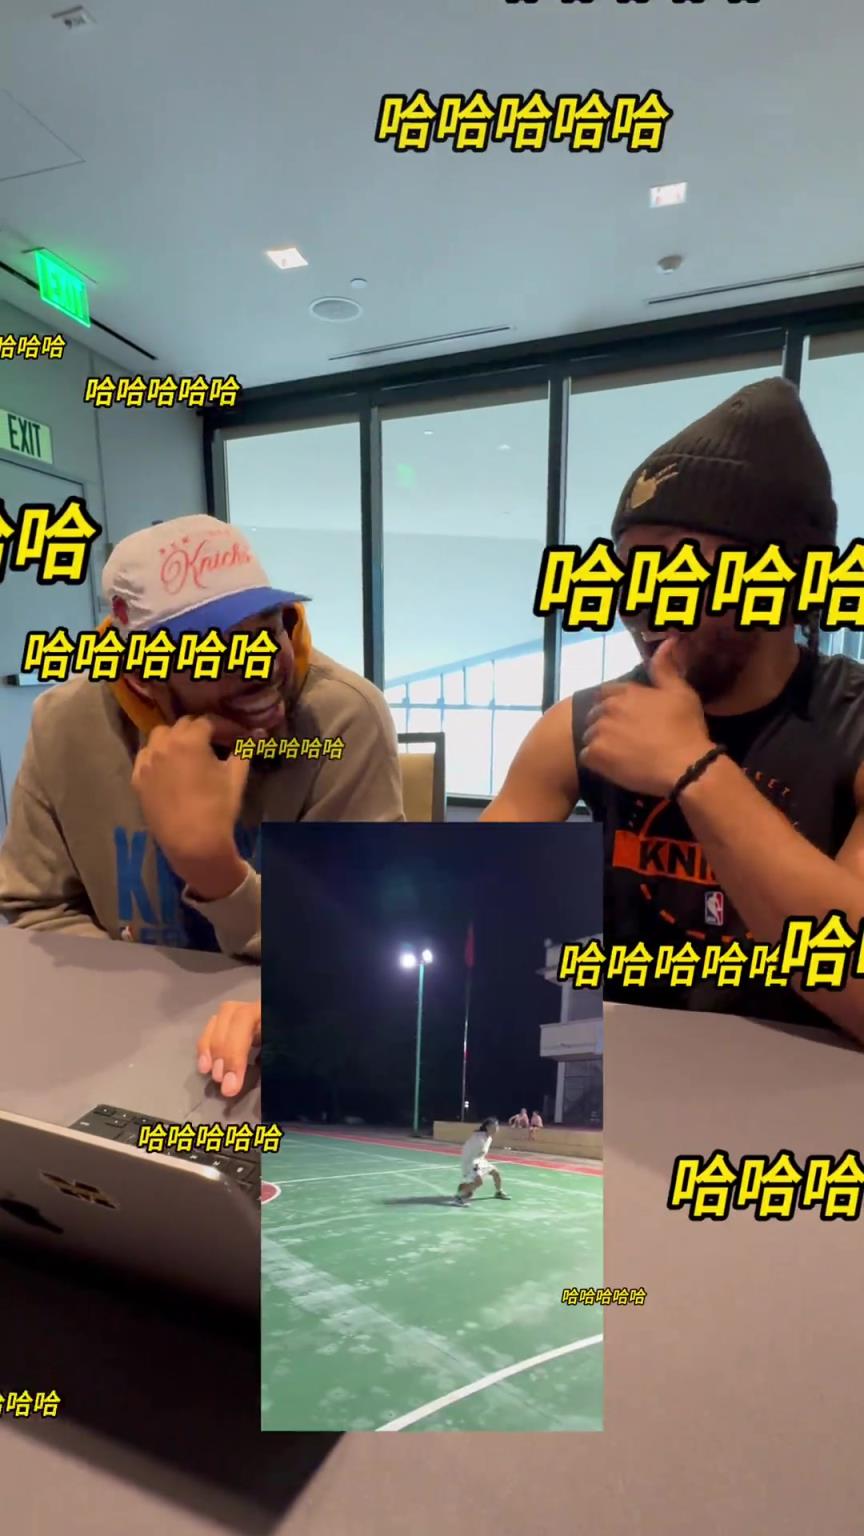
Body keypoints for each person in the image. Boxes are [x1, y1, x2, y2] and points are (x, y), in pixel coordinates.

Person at [483, 380, 864, 1042]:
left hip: (809, 1089)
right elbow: (464, 901)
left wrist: (695, 769)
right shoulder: (583, 724)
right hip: (626, 1081)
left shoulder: (850, 723)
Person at [0, 516, 404, 1093]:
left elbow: (362, 949)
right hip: (122, 1045)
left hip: (288, 1039)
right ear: (142, 678)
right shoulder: (65, 723)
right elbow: (38, 906)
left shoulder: (343, 719)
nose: (260, 666)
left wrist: (219, 876)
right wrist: (143, 1005)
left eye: (268, 628)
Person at [454, 1117, 511, 1204]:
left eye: (497, 1126)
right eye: (494, 1127)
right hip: (470, 1162)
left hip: (479, 1160)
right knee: (479, 1182)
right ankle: (459, 1196)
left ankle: (498, 1192)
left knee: (496, 1172)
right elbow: (469, 1154)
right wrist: (475, 1170)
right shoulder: (479, 1139)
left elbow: (480, 1155)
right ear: (487, 1127)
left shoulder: (489, 1138)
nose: (496, 1128)